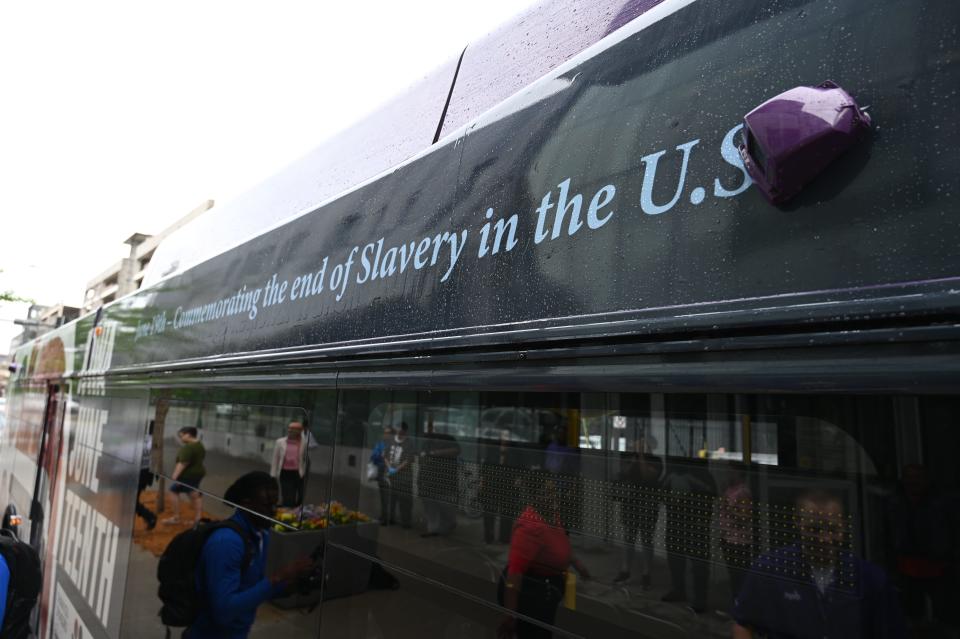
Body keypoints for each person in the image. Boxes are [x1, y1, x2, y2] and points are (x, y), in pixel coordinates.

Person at [732, 489, 906, 638]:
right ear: (798, 523)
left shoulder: (870, 579)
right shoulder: (770, 570)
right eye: (814, 529)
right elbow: (743, 623)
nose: (824, 539)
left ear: (844, 527)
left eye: (832, 529)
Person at [184, 471, 313, 639]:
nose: (274, 511)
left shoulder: (260, 535)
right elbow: (224, 611)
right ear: (247, 505)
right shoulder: (227, 543)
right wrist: (278, 577)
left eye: (276, 504)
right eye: (267, 505)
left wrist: (292, 585)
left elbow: (251, 588)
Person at [498, 477, 591, 639]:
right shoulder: (529, 527)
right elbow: (514, 574)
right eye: (547, 493)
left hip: (551, 588)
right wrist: (510, 616)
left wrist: (577, 563)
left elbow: (560, 543)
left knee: (548, 629)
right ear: (534, 497)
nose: (553, 496)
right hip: (534, 594)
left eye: (554, 490)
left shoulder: (550, 514)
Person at [660, 458, 715, 613]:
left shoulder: (702, 474)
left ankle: (700, 600)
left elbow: (710, 496)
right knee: (675, 560)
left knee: (699, 565)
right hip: (676, 523)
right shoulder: (673, 473)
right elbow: (662, 492)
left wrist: (688, 504)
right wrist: (672, 501)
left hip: (696, 526)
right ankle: (678, 590)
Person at [612, 435, 662, 588]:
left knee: (646, 539)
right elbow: (622, 473)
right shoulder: (629, 459)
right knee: (628, 538)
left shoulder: (656, 461)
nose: (637, 446)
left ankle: (646, 573)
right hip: (630, 504)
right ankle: (625, 570)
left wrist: (640, 457)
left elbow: (648, 476)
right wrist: (633, 459)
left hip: (648, 505)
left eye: (642, 445)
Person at [717, 465, 755, 613]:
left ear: (739, 473)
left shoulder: (742, 492)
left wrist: (729, 507)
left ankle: (742, 609)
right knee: (734, 576)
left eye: (730, 471)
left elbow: (745, 518)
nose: (727, 473)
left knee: (739, 577)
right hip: (728, 539)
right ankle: (736, 607)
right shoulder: (729, 490)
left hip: (739, 542)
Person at [418, 419, 461, 537]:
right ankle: (433, 532)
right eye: (428, 428)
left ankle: (445, 528)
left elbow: (456, 450)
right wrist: (420, 483)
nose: (429, 431)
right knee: (431, 512)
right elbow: (422, 461)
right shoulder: (427, 442)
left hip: (445, 484)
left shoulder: (448, 439)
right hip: (428, 484)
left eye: (431, 428)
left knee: (448, 512)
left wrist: (433, 453)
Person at [480, 430, 519, 544]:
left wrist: (518, 479)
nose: (505, 438)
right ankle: (488, 536)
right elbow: (486, 463)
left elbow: (520, 466)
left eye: (507, 435)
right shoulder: (493, 448)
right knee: (489, 511)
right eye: (503, 435)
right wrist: (483, 479)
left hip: (508, 484)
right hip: (492, 483)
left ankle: (504, 538)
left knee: (507, 512)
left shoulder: (514, 450)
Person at [163, 426, 207, 526]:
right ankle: (198, 519)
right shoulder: (200, 445)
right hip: (198, 473)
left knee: (173, 491)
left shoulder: (188, 448)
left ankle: (176, 518)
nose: (181, 439)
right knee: (195, 495)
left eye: (182, 436)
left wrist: (174, 475)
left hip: (188, 476)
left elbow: (183, 463)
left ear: (188, 434)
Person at [270, 420, 309, 507]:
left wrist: (304, 470)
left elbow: (305, 458)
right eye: (289, 429)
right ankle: (286, 512)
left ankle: (294, 511)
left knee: (300, 496)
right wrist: (273, 475)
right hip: (285, 472)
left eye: (293, 429)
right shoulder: (280, 442)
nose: (290, 431)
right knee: (287, 496)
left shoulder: (304, 442)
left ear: (299, 431)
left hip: (298, 473)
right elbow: (275, 459)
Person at [385, 422, 415, 528]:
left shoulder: (409, 443)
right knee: (391, 499)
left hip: (404, 478)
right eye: (397, 430)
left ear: (405, 431)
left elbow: (409, 459)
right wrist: (389, 468)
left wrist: (396, 469)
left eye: (401, 431)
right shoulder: (391, 440)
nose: (399, 432)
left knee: (405, 500)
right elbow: (385, 455)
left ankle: (406, 522)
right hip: (391, 476)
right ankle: (390, 519)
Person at [136, 420, 158, 530]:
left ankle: (150, 517)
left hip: (138, 474)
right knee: (129, 501)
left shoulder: (144, 440)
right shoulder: (150, 440)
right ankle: (149, 517)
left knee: (130, 502)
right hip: (142, 474)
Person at [370, 426, 394, 524]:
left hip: (392, 472)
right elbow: (373, 456)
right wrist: (381, 455)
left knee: (391, 497)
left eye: (388, 433)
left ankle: (390, 518)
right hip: (382, 471)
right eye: (385, 433)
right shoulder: (380, 444)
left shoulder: (395, 445)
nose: (386, 435)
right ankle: (384, 517)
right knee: (384, 496)